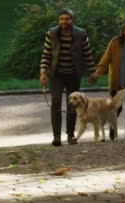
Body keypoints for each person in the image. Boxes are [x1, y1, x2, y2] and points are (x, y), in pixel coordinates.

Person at [40, 8, 97, 146]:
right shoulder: (52, 33)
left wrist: (92, 72)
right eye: (61, 19)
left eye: (67, 19)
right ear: (58, 20)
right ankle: (57, 136)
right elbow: (46, 54)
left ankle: (70, 135)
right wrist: (43, 72)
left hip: (73, 74)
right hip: (56, 74)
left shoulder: (81, 34)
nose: (64, 21)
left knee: (72, 104)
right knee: (56, 102)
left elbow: (87, 54)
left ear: (72, 20)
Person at [92, 20, 125, 141]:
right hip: (116, 82)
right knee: (116, 108)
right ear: (123, 31)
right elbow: (105, 60)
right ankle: (112, 130)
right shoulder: (115, 42)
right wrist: (97, 74)